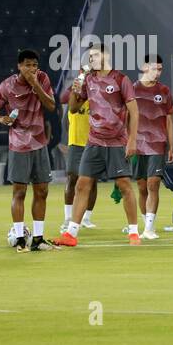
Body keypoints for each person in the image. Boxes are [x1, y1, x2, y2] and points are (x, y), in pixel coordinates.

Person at [55, 44, 142, 246]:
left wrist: (132, 140)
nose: (91, 59)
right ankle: (71, 233)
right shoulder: (88, 79)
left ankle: (134, 233)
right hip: (93, 142)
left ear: (106, 56)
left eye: (95, 55)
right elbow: (75, 108)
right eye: (90, 56)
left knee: (124, 186)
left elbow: (135, 112)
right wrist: (76, 91)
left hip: (116, 142)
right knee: (82, 184)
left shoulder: (121, 79)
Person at [0, 49, 57, 251]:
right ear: (19, 66)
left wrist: (36, 84)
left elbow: (51, 106)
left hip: (39, 143)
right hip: (19, 144)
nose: (32, 69)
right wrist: (2, 119)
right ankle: (20, 239)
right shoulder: (7, 85)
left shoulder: (42, 79)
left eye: (35, 65)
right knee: (19, 192)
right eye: (27, 65)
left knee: (42, 191)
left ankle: (37, 239)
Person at [131, 55, 173, 240]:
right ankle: (146, 223)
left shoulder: (164, 91)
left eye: (160, 69)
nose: (157, 72)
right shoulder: (132, 89)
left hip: (157, 145)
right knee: (141, 187)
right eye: (154, 68)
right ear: (144, 67)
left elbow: (169, 120)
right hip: (137, 145)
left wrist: (172, 146)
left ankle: (149, 228)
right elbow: (126, 117)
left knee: (153, 184)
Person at [60, 59, 98, 231]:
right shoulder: (73, 91)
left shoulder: (97, 93)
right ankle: (68, 218)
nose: (86, 74)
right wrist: (70, 139)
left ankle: (86, 218)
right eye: (83, 71)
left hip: (94, 141)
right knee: (72, 178)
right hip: (76, 142)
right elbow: (66, 119)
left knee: (93, 182)